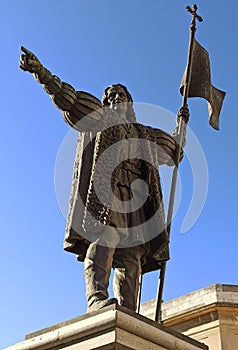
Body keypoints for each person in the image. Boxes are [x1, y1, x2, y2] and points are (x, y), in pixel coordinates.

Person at [20, 46, 189, 313]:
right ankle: (96, 298)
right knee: (105, 238)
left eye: (121, 95)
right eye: (110, 95)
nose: (115, 98)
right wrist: (42, 74)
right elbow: (72, 101)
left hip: (136, 199)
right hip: (107, 192)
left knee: (133, 255)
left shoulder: (144, 133)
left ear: (129, 102)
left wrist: (181, 127)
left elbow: (173, 153)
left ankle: (129, 311)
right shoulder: (101, 118)